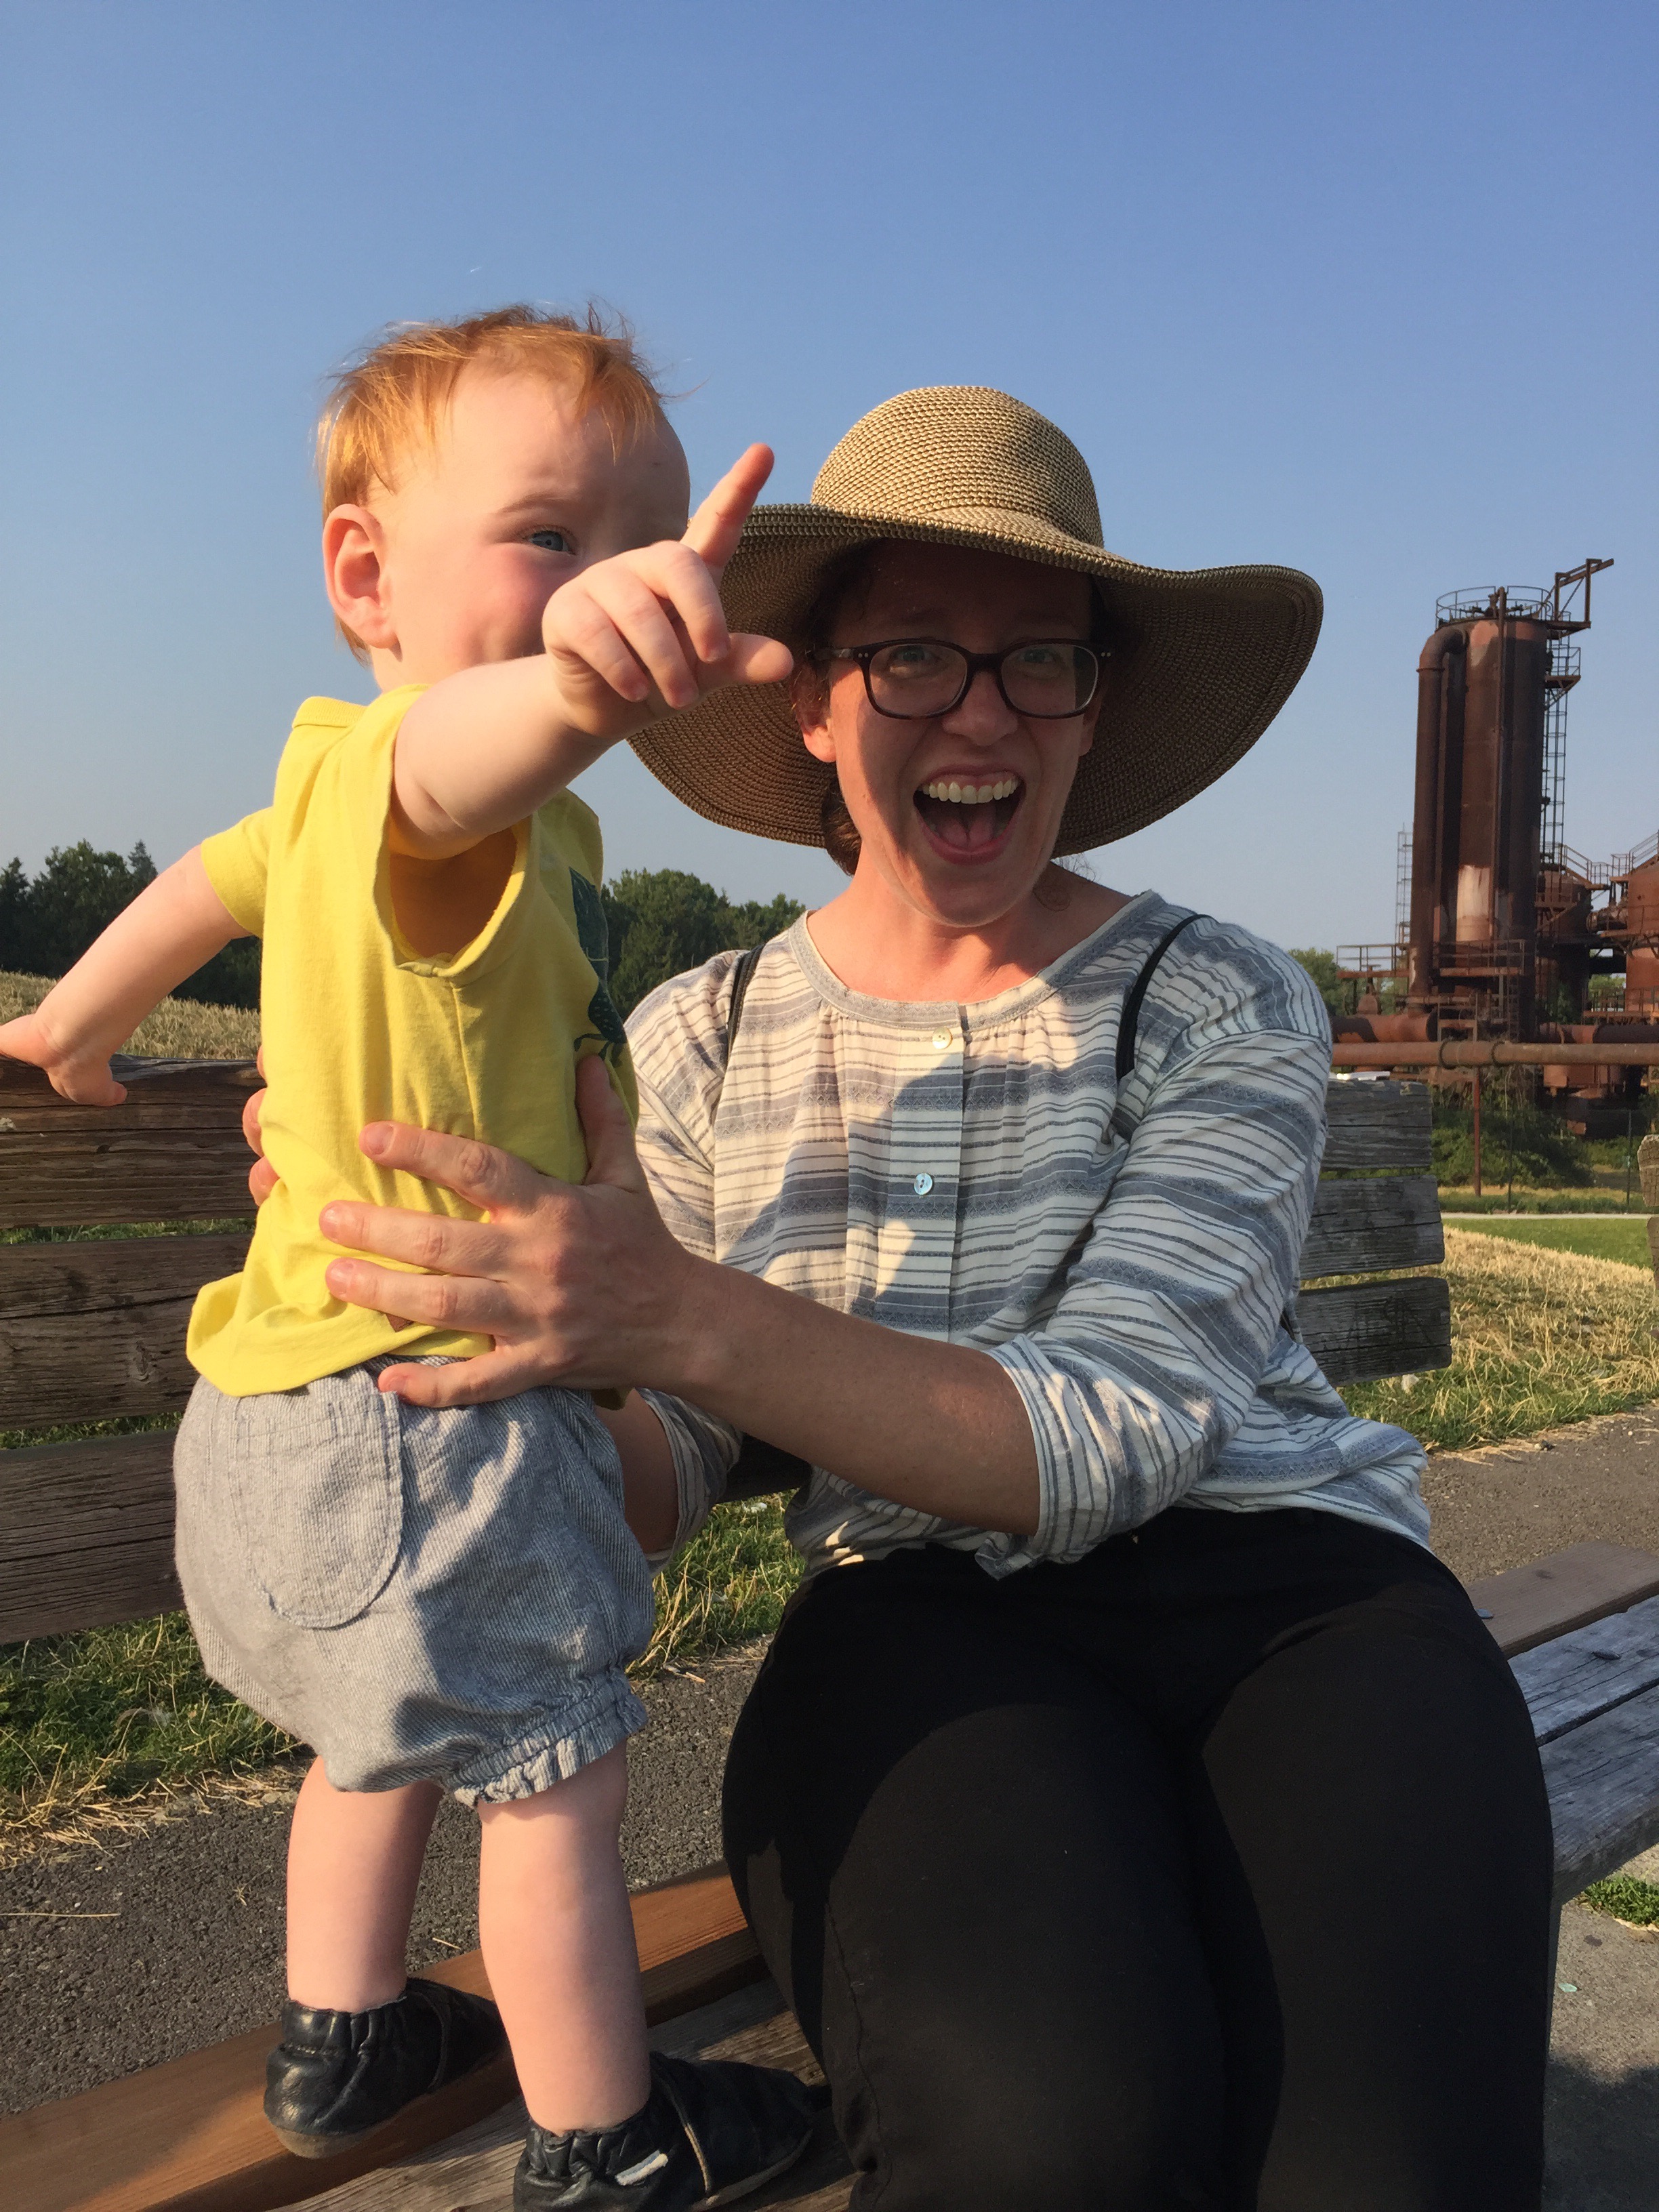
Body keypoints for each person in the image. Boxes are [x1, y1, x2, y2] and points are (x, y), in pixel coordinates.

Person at [250, 386, 1552, 2211]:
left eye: (1042, 663)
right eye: (915, 656)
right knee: (1052, 2143)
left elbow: (1116, 1430)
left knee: (1385, 2173)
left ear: (1095, 708)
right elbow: (665, 1469)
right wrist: (458, 1324)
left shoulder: (1218, 996)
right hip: (919, 1623)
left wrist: (670, 1312)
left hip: (1302, 1601)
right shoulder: (699, 1035)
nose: (981, 715)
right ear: (811, 699)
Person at [0, 308, 821, 2211]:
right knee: (552, 1778)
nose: (612, 584)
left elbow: (199, 887)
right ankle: (606, 2139)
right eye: (551, 538)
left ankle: (345, 2035)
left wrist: (76, 1030)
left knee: (375, 1745)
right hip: (427, 1422)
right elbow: (472, 748)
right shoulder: (439, 787)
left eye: (645, 544)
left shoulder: (317, 792)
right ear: (367, 579)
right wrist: (584, 683)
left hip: (276, 1411)